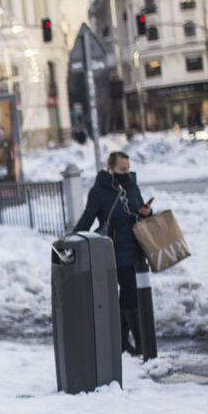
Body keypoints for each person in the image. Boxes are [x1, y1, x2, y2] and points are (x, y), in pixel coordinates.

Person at [72, 151, 153, 355]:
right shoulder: (99, 192)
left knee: (125, 296)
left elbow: (137, 211)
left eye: (128, 168)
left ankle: (121, 341)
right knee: (131, 294)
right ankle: (142, 344)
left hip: (136, 247)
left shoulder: (132, 186)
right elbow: (88, 217)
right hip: (116, 249)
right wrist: (73, 239)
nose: (126, 173)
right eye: (122, 169)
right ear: (111, 168)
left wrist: (146, 213)